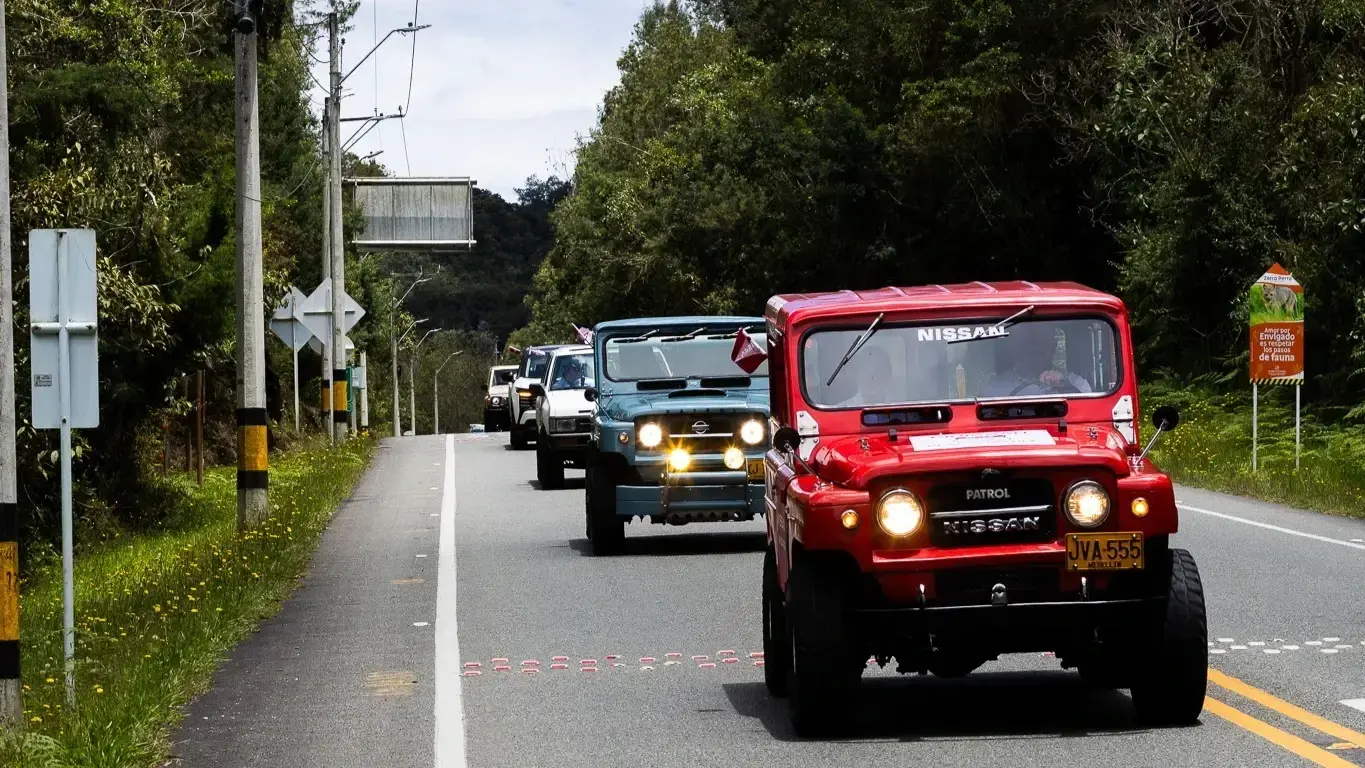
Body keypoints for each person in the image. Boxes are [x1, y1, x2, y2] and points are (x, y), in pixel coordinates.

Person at [982, 322, 1091, 397]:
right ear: (1018, 347)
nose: (1036, 351)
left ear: (1052, 347)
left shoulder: (1077, 383)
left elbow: (1089, 413)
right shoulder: (996, 387)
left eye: (1042, 344)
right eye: (1030, 344)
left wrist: (1065, 387)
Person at [830, 346, 896, 406]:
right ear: (858, 375)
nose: (873, 377)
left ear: (888, 374)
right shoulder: (840, 410)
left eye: (879, 371)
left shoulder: (901, 407)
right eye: (867, 370)